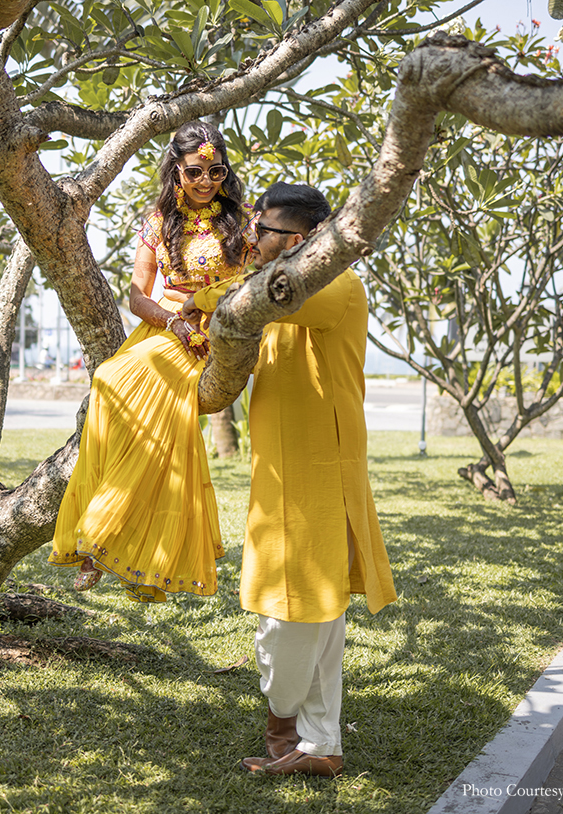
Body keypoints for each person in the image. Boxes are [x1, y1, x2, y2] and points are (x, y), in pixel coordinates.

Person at [185, 182, 397, 777]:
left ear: (299, 240)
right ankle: (320, 743)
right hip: (285, 471)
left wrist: (198, 293)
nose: (250, 239)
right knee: (320, 613)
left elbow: (245, 299)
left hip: (316, 473)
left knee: (294, 612)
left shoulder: (328, 285)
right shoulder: (285, 292)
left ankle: (283, 724)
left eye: (263, 231)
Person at [48, 121, 254, 603]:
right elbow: (137, 297)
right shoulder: (158, 221)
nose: (206, 181)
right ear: (176, 171)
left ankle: (103, 534)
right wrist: (173, 321)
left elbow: (258, 278)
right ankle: (103, 532)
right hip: (168, 329)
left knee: (156, 408)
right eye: (195, 172)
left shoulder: (243, 219)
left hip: (218, 329)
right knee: (110, 379)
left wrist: (210, 312)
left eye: (216, 170)